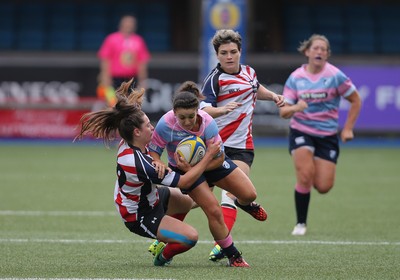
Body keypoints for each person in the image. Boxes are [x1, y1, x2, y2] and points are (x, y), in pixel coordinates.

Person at [74, 79, 222, 266]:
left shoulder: (130, 140)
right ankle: (163, 256)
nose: (152, 127)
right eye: (147, 125)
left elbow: (130, 116)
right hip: (139, 214)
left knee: (191, 201)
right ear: (137, 132)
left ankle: (166, 234)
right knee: (190, 237)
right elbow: (184, 182)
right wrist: (208, 157)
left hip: (150, 196)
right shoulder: (141, 164)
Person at [148, 81, 268, 267]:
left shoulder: (208, 123)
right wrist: (157, 161)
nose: (187, 122)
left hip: (212, 163)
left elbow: (219, 159)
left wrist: (197, 167)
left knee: (249, 194)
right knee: (213, 209)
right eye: (182, 117)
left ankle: (242, 203)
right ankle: (233, 257)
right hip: (185, 171)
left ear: (198, 111)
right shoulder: (165, 124)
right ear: (174, 113)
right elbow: (154, 150)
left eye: (191, 116)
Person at [199, 29, 285, 261]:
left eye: (233, 52)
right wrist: (221, 110)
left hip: (241, 147)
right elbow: (203, 110)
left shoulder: (249, 72)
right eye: (224, 53)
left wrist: (274, 96)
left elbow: (256, 88)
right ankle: (163, 240)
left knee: (231, 194)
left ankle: (222, 244)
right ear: (217, 55)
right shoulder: (215, 79)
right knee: (194, 200)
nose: (229, 56)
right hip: (215, 148)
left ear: (240, 52)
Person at [279, 34, 362, 236]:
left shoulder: (335, 76)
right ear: (307, 52)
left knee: (324, 186)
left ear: (327, 54)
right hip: (301, 131)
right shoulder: (296, 77)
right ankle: (300, 224)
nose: (319, 52)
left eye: (323, 49)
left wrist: (348, 128)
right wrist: (297, 106)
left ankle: (314, 164)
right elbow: (283, 112)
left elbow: (356, 100)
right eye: (316, 48)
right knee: (305, 177)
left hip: (327, 135)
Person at [97, 15, 150, 106]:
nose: (128, 26)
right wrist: (105, 76)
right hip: (114, 79)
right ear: (121, 25)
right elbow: (105, 59)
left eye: (131, 24)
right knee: (112, 103)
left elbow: (142, 62)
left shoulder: (138, 41)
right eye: (126, 23)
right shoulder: (111, 39)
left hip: (132, 79)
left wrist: (143, 80)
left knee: (131, 105)